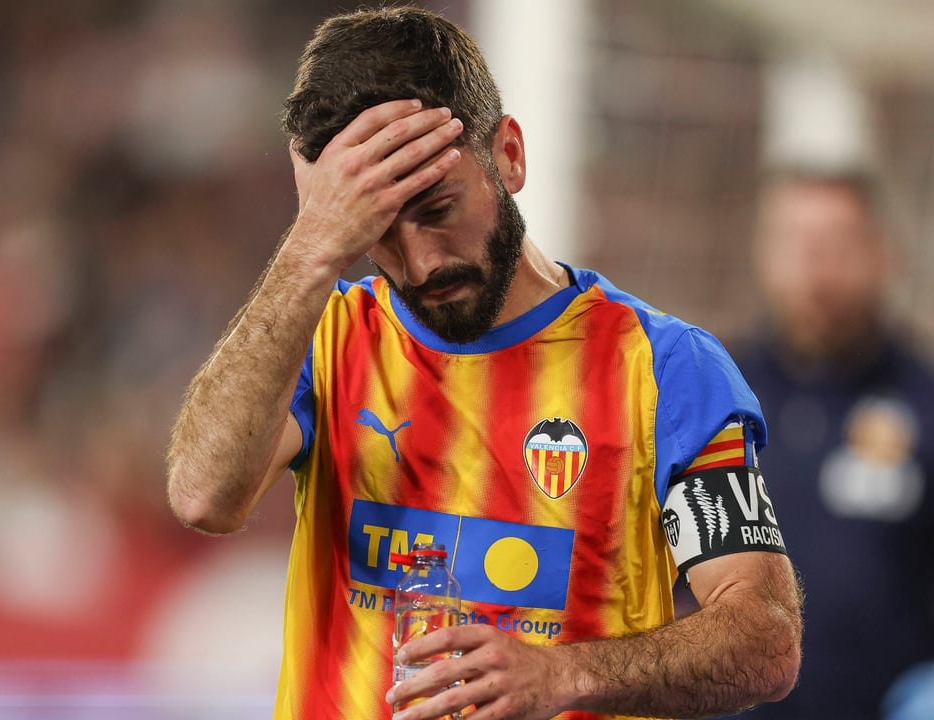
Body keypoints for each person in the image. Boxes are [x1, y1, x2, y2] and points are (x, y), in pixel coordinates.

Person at [165, 7, 802, 719]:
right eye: (376, 229)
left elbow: (765, 638)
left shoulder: (665, 367)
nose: (421, 263)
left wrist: (564, 675)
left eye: (438, 209)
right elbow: (203, 498)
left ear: (510, 156)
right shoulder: (322, 337)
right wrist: (310, 246)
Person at [727, 168, 934, 720]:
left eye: (838, 246)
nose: (816, 269)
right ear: (762, 253)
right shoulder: (705, 400)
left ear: (884, 254)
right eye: (796, 243)